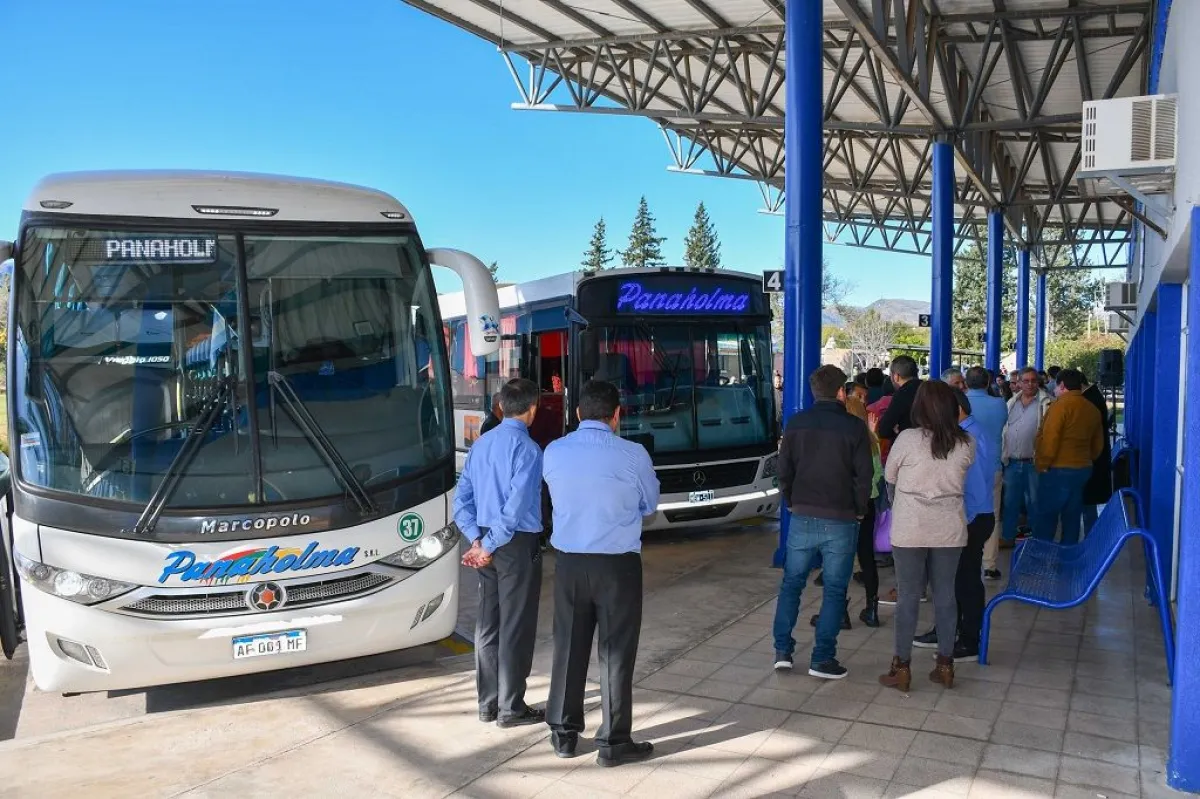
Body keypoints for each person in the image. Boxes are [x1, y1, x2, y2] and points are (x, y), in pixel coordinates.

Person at [543, 380, 660, 766]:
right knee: (615, 653)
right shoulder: (633, 454)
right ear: (617, 415)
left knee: (569, 647)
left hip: (570, 564)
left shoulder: (554, 451)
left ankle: (563, 734)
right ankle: (613, 743)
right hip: (617, 567)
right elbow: (649, 504)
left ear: (577, 414)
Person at [452, 378, 546, 728]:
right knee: (515, 624)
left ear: (500, 407)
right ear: (533, 408)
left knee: (488, 624)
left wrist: (477, 542)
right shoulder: (529, 450)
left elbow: (461, 500)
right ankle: (511, 708)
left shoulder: (481, 445)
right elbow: (516, 509)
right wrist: (489, 546)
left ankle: (487, 705)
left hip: (484, 545)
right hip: (514, 545)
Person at [773, 365, 873, 679]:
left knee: (791, 585)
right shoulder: (854, 428)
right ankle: (822, 659)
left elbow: (784, 470)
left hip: (802, 515)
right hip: (841, 518)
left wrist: (791, 501)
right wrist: (859, 509)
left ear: (814, 391)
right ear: (842, 392)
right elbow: (863, 476)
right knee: (833, 590)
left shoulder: (796, 423)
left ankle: (783, 652)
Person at [878, 381, 974, 692]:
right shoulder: (966, 442)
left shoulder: (906, 439)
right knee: (945, 596)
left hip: (910, 527)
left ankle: (902, 667)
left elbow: (889, 476)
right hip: (949, 527)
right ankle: (945, 665)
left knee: (908, 596)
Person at [912, 390, 997, 661]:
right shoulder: (966, 433)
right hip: (968, 517)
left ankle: (971, 639)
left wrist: (962, 523)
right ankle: (947, 628)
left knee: (966, 580)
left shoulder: (969, 438)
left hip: (971, 517)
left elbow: (972, 486)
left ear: (956, 408)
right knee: (951, 579)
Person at [1034, 368, 1104, 545]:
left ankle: (1044, 559)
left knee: (1047, 518)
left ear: (1062, 385)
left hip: (1057, 469)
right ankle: (1067, 559)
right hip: (1083, 469)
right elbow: (1098, 445)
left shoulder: (1059, 407)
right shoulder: (1092, 409)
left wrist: (1042, 463)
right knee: (1072, 517)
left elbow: (1050, 439)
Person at [960, 367, 1008, 581]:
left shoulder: (960, 406)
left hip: (965, 468)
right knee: (992, 514)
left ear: (965, 383)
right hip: (993, 465)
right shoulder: (999, 404)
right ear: (988, 382)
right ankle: (989, 564)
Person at [1001, 368, 1053, 546]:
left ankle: (1035, 541)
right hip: (1012, 462)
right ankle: (1008, 537)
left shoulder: (1047, 403)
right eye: (1026, 381)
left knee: (1035, 504)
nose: (1030, 384)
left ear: (1038, 382)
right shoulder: (1011, 403)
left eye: (1033, 380)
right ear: (1019, 383)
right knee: (1010, 504)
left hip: (1034, 463)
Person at [1079, 372, 1113, 533]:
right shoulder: (1093, 396)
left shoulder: (1089, 400)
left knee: (1088, 503)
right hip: (1097, 459)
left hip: (1093, 460)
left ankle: (1090, 536)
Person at [876, 355, 922, 443]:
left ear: (896, 376)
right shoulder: (930, 389)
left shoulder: (902, 394)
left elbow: (883, 430)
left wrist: (896, 430)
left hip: (910, 446)